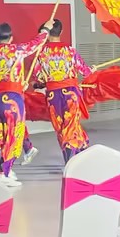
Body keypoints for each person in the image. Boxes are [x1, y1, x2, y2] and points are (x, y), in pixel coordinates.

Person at [0, 21, 51, 187]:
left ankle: (6, 170)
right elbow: (36, 43)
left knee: (4, 135)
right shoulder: (16, 50)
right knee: (14, 136)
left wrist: (19, 84)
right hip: (12, 99)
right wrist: (45, 29)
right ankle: (3, 173)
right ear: (11, 37)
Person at [36, 19, 93, 162]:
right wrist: (91, 70)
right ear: (61, 31)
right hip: (71, 93)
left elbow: (38, 77)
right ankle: (74, 158)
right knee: (71, 124)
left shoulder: (42, 53)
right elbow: (85, 72)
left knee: (61, 126)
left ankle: (75, 157)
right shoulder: (69, 50)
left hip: (53, 95)